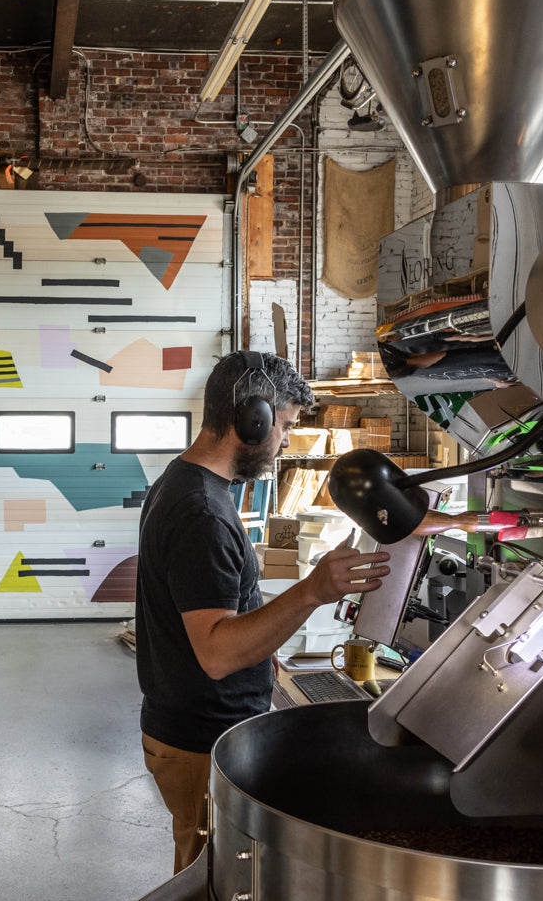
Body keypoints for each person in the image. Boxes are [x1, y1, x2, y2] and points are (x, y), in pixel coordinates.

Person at [135, 351, 390, 872]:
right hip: (202, 738)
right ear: (253, 418)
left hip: (194, 727)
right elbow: (216, 652)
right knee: (211, 885)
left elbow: (213, 610)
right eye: (286, 426)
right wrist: (313, 590)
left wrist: (262, 650)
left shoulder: (188, 483)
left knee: (213, 875)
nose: (286, 442)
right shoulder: (201, 513)